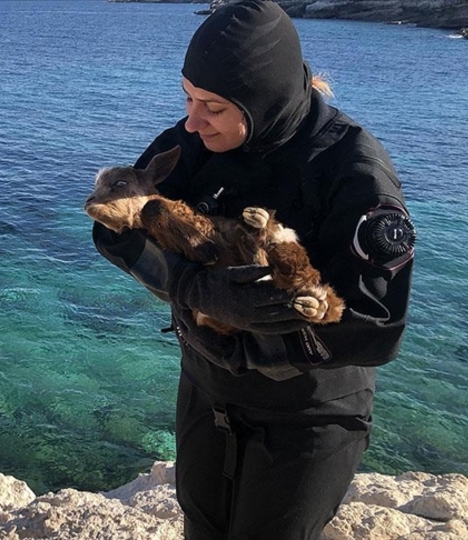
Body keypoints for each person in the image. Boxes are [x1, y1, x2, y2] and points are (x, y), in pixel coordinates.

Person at [92, 2, 415, 539]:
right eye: (187, 97)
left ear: (261, 100)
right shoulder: (193, 142)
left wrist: (252, 341)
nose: (193, 121)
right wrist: (193, 287)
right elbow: (111, 225)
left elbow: (375, 328)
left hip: (306, 417)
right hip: (205, 388)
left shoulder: (352, 170)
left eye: (212, 107)